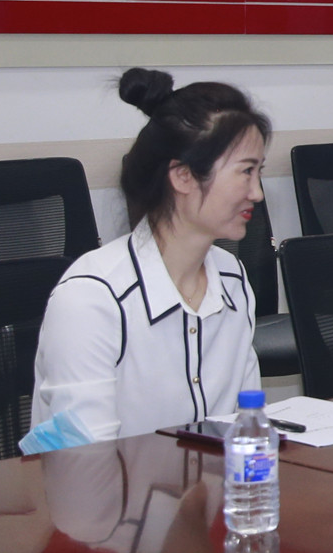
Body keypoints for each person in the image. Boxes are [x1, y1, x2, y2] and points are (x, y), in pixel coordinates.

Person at [28, 70, 267, 444]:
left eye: (259, 172)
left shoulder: (231, 278)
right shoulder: (93, 298)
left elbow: (246, 427)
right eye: (246, 172)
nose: (257, 193)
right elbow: (86, 464)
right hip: (104, 482)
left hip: (213, 482)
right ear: (183, 176)